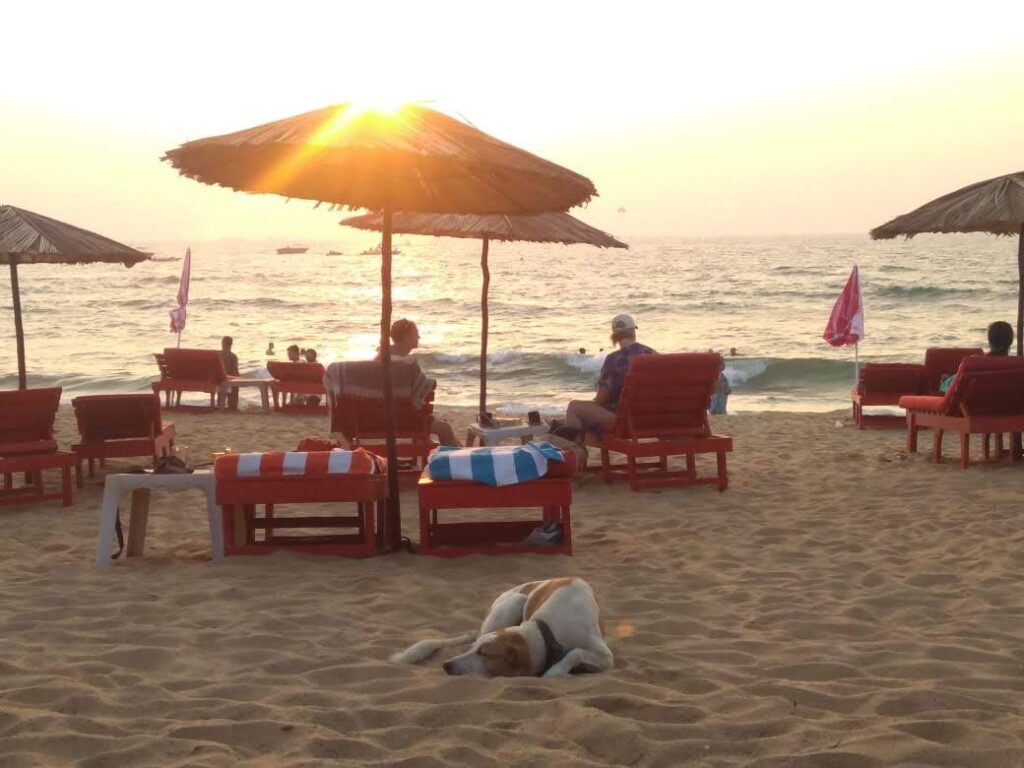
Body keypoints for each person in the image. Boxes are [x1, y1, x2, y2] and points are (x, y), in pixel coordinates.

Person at [560, 314, 656, 441]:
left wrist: (596, 403)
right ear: (633, 331)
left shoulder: (614, 360)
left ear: (614, 336)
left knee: (574, 407)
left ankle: (577, 452)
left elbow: (601, 399)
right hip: (652, 419)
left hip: (626, 422)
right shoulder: (653, 354)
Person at [379, 318, 459, 446]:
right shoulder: (408, 364)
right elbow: (421, 396)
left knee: (441, 423)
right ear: (406, 337)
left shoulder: (379, 360)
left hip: (379, 417)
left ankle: (460, 453)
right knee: (445, 428)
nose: (419, 337)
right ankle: (455, 461)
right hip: (404, 420)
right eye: (416, 333)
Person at [938, 321, 1013, 393]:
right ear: (1010, 341)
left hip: (974, 403)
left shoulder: (974, 362)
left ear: (989, 340)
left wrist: (945, 382)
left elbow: (957, 387)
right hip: (1006, 403)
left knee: (946, 381)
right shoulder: (1015, 365)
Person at [220, 336, 240, 410]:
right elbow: (235, 372)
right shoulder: (233, 356)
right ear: (231, 344)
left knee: (225, 384)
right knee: (234, 384)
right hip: (228, 380)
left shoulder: (218, 355)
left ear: (222, 344)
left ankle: (220, 405)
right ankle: (233, 407)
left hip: (219, 379)